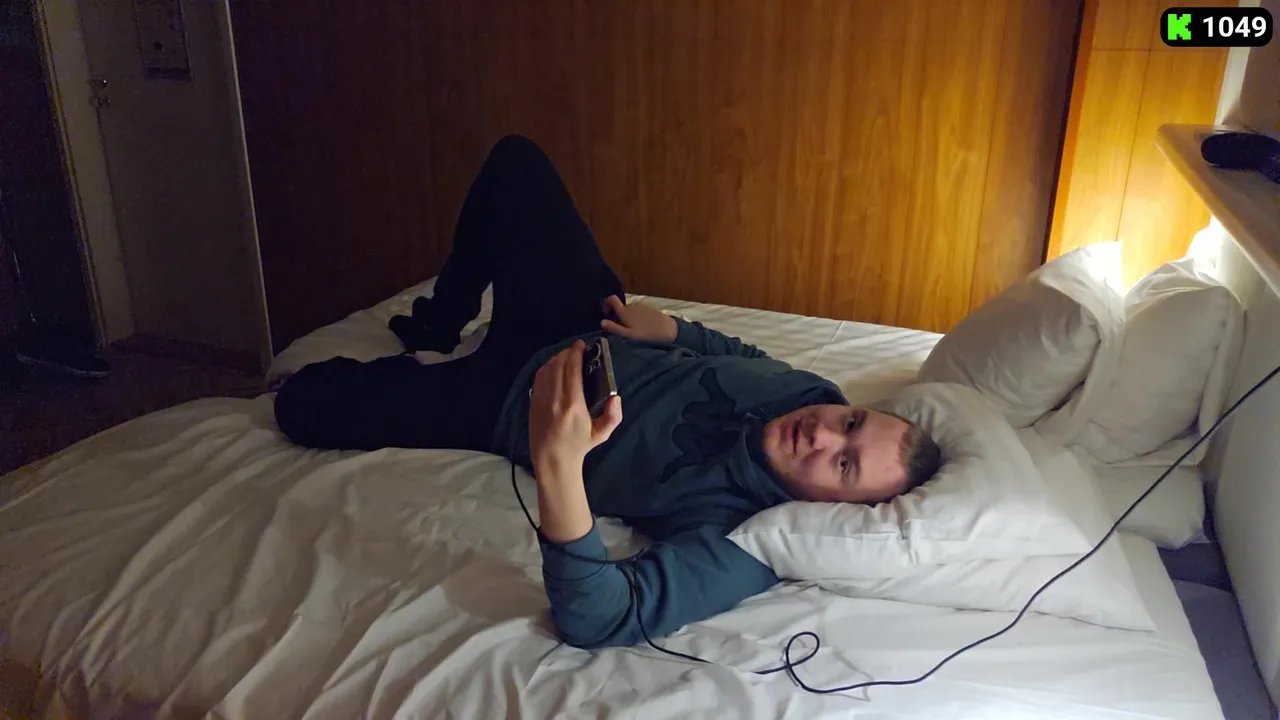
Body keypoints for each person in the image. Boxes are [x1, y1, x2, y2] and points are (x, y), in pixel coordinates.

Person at [274, 135, 942, 649]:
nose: (823, 432)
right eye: (852, 422)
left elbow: (604, 616)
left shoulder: (748, 537)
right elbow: (744, 357)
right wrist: (674, 330)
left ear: (834, 510)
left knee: (300, 405)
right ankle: (440, 321)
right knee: (516, 162)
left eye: (843, 464)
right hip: (582, 323)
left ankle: (434, 361)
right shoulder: (815, 391)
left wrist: (558, 467)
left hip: (502, 402)